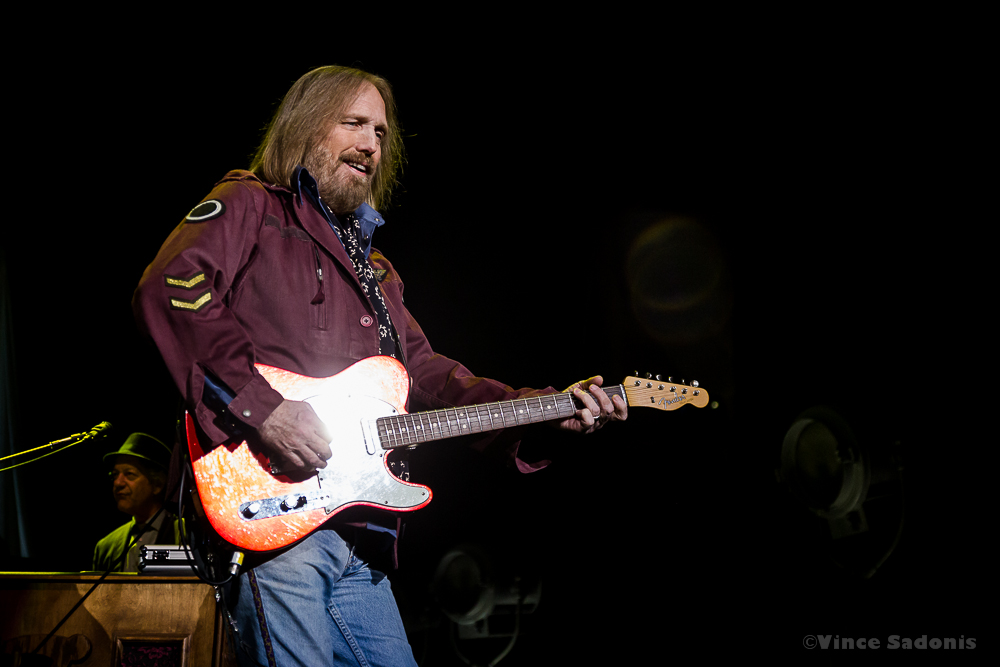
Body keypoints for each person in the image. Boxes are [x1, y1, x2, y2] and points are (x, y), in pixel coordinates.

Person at [132, 65, 627, 666]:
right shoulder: (252, 204)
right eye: (354, 123)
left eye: (381, 133)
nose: (371, 144)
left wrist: (542, 410)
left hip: (360, 537)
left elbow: (427, 375)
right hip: (275, 519)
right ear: (307, 125)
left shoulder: (376, 268)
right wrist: (265, 409)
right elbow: (173, 286)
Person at [93, 432, 178, 572]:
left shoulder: (185, 536)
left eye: (129, 474)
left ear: (158, 484)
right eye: (115, 475)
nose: (118, 483)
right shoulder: (106, 546)